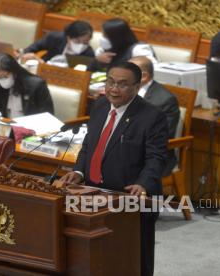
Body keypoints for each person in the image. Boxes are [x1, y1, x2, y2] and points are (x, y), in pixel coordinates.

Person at [60, 62, 168, 276]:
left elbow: (156, 158)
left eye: (122, 84)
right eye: (110, 82)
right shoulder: (100, 106)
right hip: (92, 193)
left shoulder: (152, 117)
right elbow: (89, 146)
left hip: (129, 198)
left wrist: (142, 183)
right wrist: (79, 172)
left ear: (137, 87)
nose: (114, 89)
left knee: (135, 259)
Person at [130, 56, 180, 176]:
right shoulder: (124, 92)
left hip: (151, 157)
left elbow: (161, 137)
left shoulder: (165, 100)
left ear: (144, 76)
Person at [0, 53, 54, 118]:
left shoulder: (37, 86)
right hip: (7, 127)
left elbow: (48, 116)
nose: (1, 81)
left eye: (4, 76)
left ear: (14, 71)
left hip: (32, 127)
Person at [89, 18, 156, 72]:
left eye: (106, 36)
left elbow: (153, 71)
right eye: (103, 35)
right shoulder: (103, 50)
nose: (103, 38)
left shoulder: (139, 49)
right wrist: (97, 60)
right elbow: (89, 72)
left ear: (117, 37)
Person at [21, 20, 95, 65]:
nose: (81, 45)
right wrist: (30, 56)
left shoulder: (89, 54)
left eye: (85, 42)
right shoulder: (54, 38)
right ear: (68, 37)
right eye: (77, 41)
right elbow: (29, 50)